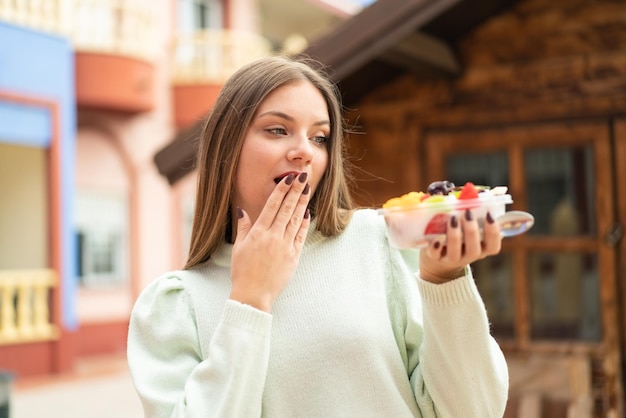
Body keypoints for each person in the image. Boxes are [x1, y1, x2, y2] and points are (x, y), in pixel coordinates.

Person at [127, 55, 509, 418]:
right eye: (277, 130)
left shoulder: (380, 243)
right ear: (226, 147)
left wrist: (444, 281)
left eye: (320, 137)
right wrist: (250, 300)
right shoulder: (176, 306)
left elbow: (473, 410)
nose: (304, 152)